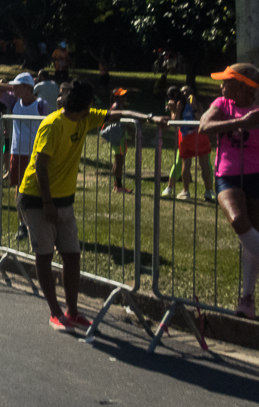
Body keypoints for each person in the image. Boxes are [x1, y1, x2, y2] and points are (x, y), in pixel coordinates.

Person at [18, 80, 165, 331]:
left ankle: (72, 311)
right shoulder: (52, 125)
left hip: (65, 200)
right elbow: (40, 166)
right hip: (37, 199)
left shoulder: (85, 119)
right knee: (44, 256)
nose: (94, 108)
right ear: (84, 104)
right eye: (91, 104)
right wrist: (48, 203)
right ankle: (55, 313)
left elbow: (119, 113)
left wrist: (149, 117)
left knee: (72, 256)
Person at [199, 63, 259, 319]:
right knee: (239, 220)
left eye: (226, 81)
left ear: (242, 85)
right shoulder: (221, 104)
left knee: (255, 236)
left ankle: (246, 299)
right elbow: (204, 126)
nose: (221, 85)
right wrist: (240, 121)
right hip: (227, 174)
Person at [0, 72, 51, 239]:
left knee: (39, 186)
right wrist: (14, 87)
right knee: (19, 187)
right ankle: (23, 223)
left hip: (36, 153)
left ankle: (40, 222)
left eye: (19, 87)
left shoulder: (41, 105)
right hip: (17, 152)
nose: (15, 90)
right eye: (14, 87)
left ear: (28, 88)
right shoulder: (14, 102)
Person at [164, 85, 215, 202]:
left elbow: (201, 119)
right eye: (183, 93)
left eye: (188, 92)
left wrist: (194, 107)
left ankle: (209, 191)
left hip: (199, 135)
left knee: (204, 164)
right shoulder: (178, 105)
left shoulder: (197, 104)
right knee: (185, 164)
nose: (185, 95)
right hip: (186, 137)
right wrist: (176, 110)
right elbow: (175, 123)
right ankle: (185, 191)